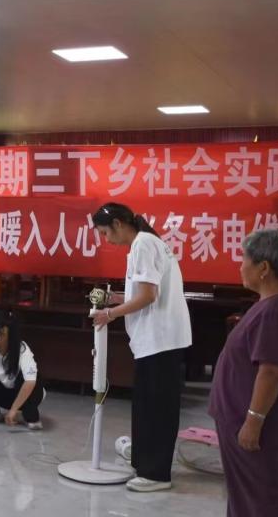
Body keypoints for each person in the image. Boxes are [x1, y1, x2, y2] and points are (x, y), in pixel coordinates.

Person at [91, 202, 192, 493]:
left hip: (160, 340)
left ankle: (156, 474)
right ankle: (144, 461)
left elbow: (148, 296)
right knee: (147, 406)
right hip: (156, 340)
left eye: (105, 233)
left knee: (157, 408)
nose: (106, 239)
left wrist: (110, 314)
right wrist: (115, 298)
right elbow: (142, 291)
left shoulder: (143, 244)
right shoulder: (146, 242)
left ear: (118, 224)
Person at [210, 229, 278, 517]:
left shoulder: (275, 312)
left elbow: (271, 372)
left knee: (256, 502)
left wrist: (253, 422)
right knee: (246, 498)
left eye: (244, 259)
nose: (240, 266)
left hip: (254, 425)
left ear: (264, 268)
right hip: (246, 419)